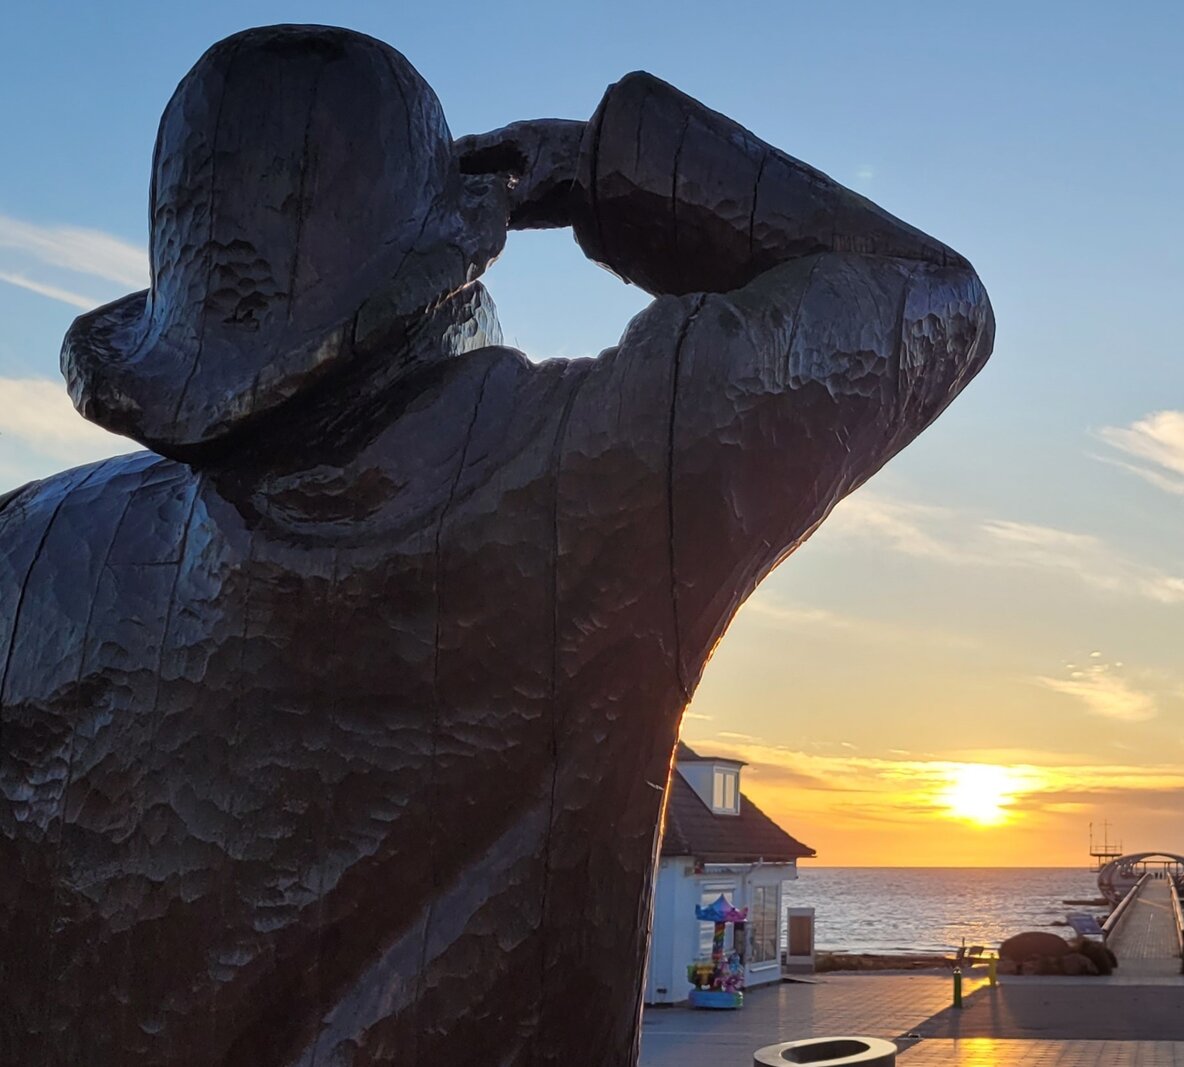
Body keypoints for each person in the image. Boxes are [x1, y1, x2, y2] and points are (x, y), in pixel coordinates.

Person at [0, 25, 993, 1066]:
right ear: (451, 266)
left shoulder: (31, 543)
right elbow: (919, 294)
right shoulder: (586, 473)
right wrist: (607, 170)